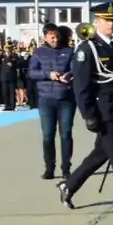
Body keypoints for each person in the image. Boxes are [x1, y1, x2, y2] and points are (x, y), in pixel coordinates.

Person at [60, 2, 113, 211]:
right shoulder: (88, 48)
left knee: (101, 153)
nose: (111, 24)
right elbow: (81, 84)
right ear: (96, 22)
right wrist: (88, 114)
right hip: (102, 112)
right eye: (106, 20)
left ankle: (69, 185)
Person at [27, 23, 76, 180]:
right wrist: (49, 74)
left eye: (57, 37)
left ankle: (66, 168)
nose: (55, 40)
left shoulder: (68, 51)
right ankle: (50, 168)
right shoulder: (38, 52)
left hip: (66, 99)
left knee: (66, 134)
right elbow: (31, 72)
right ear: (45, 37)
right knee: (48, 135)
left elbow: (75, 68)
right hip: (46, 99)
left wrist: (68, 75)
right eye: (52, 37)